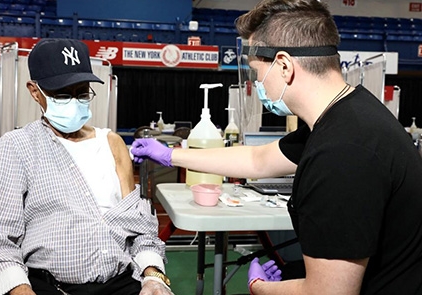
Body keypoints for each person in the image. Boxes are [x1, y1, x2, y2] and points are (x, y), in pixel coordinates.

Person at [131, 0, 422, 294]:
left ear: (284, 65)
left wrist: (258, 287)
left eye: (258, 75)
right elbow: (257, 160)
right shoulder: (348, 115)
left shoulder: (342, 152)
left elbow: (327, 293)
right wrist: (170, 154)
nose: (259, 87)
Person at [0, 38, 173, 295]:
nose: (75, 102)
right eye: (62, 94)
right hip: (53, 286)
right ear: (35, 91)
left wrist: (152, 276)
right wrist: (20, 289)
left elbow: (141, 230)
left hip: (123, 281)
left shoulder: (112, 143)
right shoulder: (17, 147)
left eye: (82, 92)